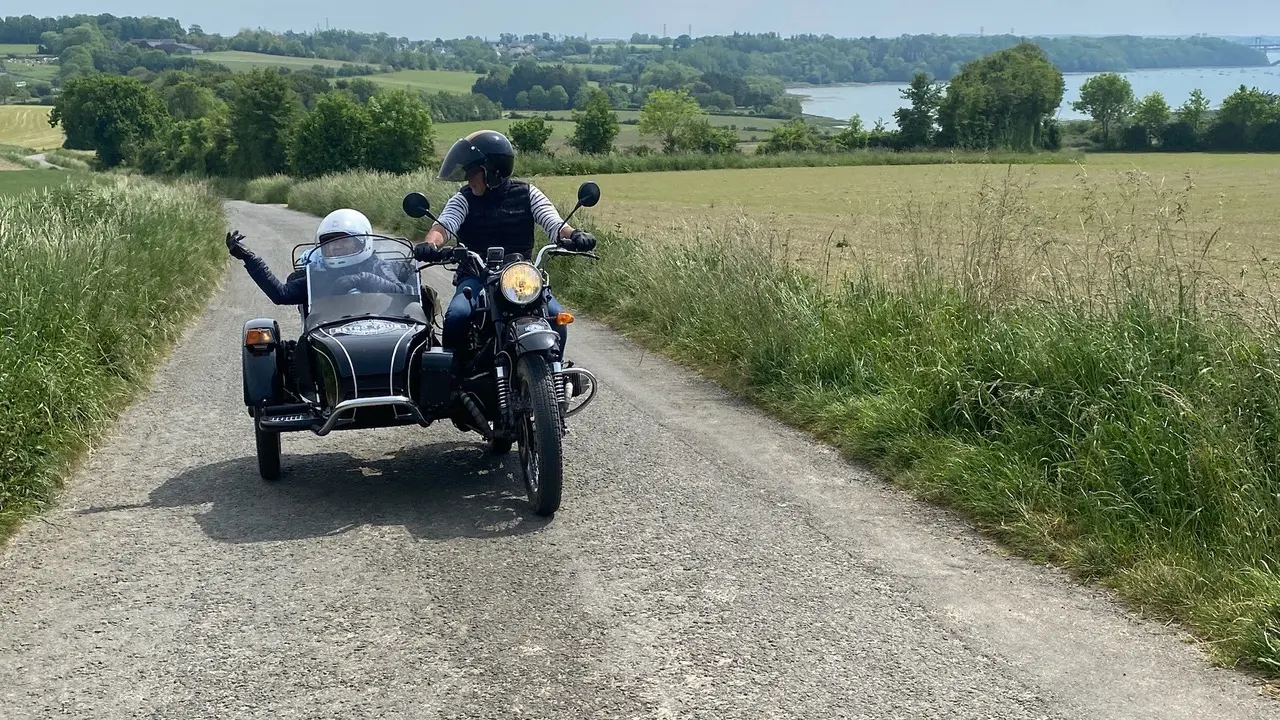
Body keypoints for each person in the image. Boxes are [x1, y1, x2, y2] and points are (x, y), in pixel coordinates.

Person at [411, 130, 596, 367]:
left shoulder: (527, 193)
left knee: (556, 318)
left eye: (472, 171)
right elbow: (443, 227)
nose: (468, 178)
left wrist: (576, 235)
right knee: (457, 316)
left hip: (520, 278)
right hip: (476, 277)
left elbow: (555, 224)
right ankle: (452, 383)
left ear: (491, 170)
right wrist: (431, 244)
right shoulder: (463, 199)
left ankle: (553, 374)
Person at [226, 208, 419, 306]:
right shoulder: (317, 275)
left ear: (363, 240)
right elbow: (281, 294)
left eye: (343, 241)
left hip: (387, 339)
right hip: (332, 347)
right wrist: (249, 259)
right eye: (329, 243)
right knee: (303, 349)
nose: (334, 248)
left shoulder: (382, 267)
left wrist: (364, 279)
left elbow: (412, 296)